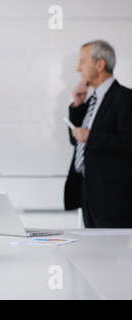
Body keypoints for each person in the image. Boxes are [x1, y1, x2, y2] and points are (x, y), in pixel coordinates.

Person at [64, 40, 132, 228]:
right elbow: (76, 141)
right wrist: (77, 106)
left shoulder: (125, 98)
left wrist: (90, 136)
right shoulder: (92, 100)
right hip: (88, 192)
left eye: (82, 62)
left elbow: (128, 141)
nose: (78, 68)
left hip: (112, 198)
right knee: (92, 254)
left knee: (111, 254)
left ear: (100, 64)